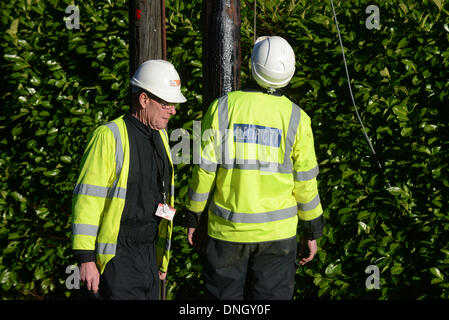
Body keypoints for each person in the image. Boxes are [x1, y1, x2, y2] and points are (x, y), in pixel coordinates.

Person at [185, 36, 325, 300]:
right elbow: (305, 183)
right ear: (289, 73)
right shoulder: (297, 118)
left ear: (252, 66)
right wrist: (312, 230)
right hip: (278, 236)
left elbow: (204, 171)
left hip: (227, 233)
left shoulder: (222, 108)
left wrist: (193, 217)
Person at [71, 60, 186, 299]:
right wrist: (85, 258)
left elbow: (161, 195)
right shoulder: (108, 136)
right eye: (166, 103)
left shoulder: (160, 136)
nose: (173, 110)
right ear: (144, 100)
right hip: (118, 256)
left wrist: (161, 258)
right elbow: (87, 200)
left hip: (148, 256)